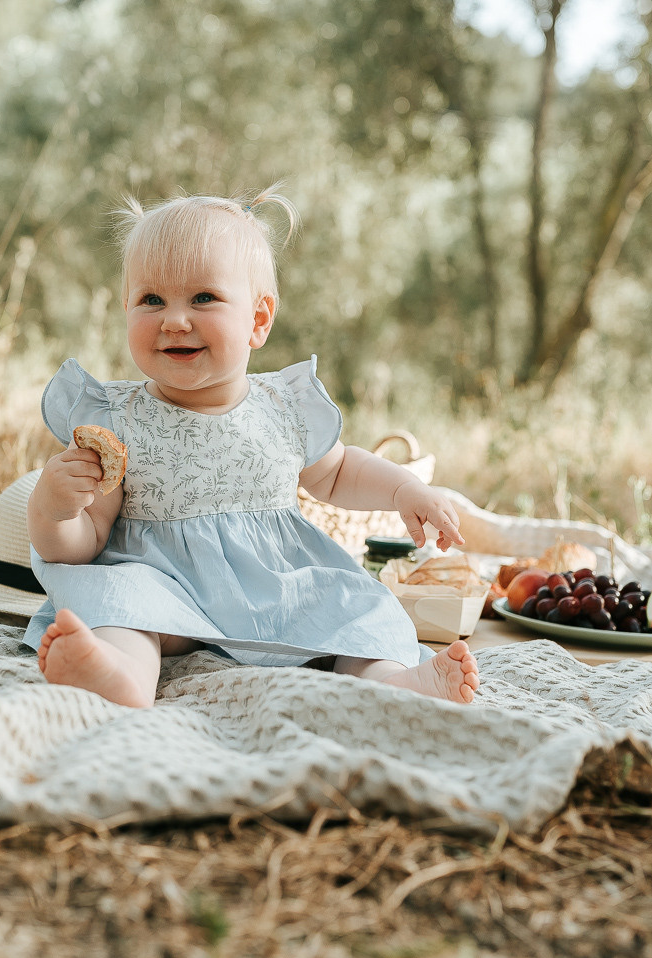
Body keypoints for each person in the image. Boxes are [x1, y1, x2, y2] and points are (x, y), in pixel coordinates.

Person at [24, 186, 479, 709]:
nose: (174, 319)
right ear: (126, 308)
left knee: (359, 605)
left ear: (259, 320)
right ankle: (120, 674)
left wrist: (405, 490)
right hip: (164, 590)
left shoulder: (282, 406)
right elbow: (82, 543)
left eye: (203, 298)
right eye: (151, 299)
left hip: (278, 588)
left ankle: (392, 680)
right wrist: (55, 507)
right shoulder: (117, 419)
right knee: (119, 602)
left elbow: (337, 472)